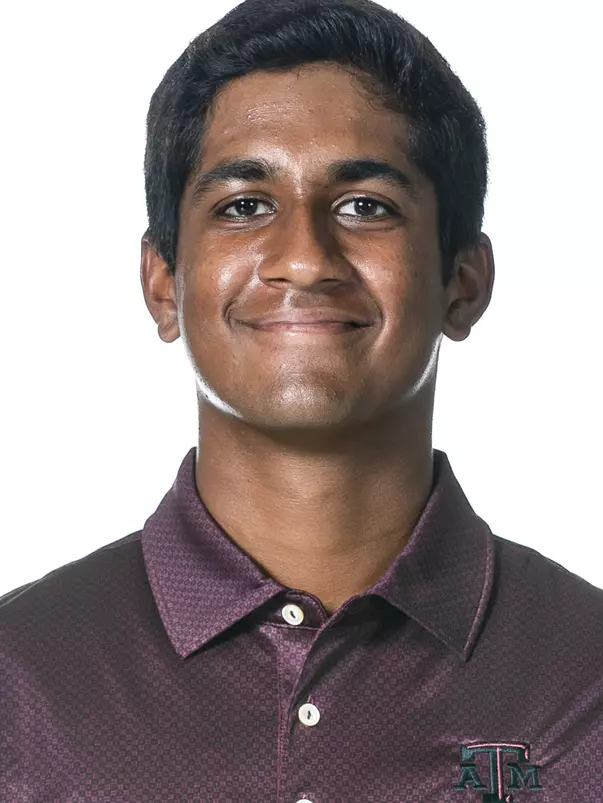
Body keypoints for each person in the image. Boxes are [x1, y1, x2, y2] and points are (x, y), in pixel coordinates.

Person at [1, 0, 602, 800]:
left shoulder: (585, 680)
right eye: (243, 205)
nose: (304, 259)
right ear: (161, 284)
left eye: (365, 206)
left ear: (463, 281)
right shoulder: (20, 681)